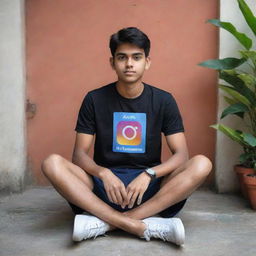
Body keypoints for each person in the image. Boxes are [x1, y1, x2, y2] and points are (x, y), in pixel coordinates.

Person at [41, 27, 212, 246]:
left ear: (147, 62)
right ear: (112, 62)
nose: (129, 64)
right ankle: (145, 225)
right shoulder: (94, 99)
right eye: (122, 57)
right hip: (104, 189)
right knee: (52, 163)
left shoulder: (164, 100)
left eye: (136, 57)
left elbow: (181, 155)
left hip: (151, 190)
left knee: (202, 164)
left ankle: (109, 223)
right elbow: (79, 155)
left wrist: (150, 174)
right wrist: (103, 173)